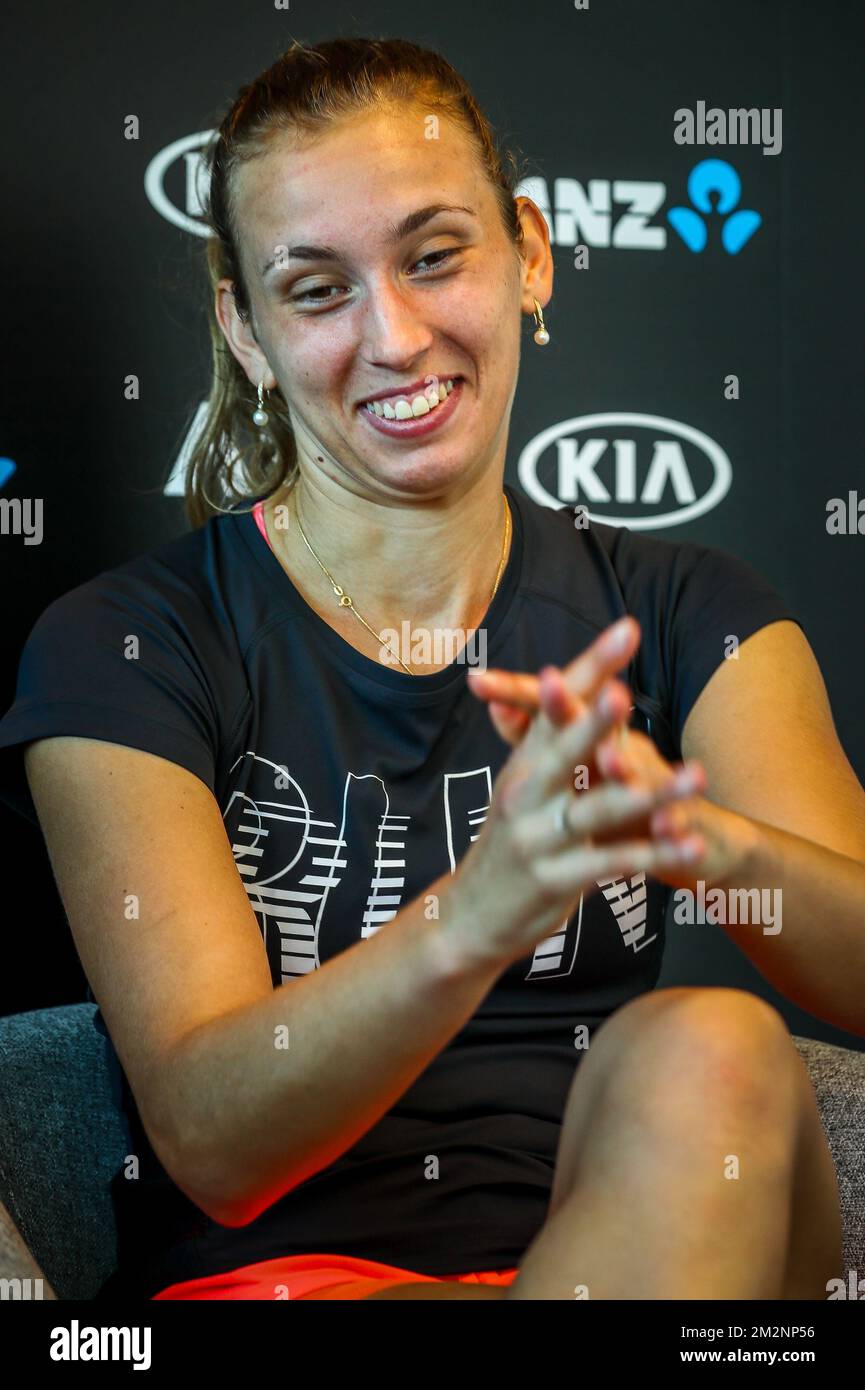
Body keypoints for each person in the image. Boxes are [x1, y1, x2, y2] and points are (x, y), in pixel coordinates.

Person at [0, 35, 861, 1302]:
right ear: (245, 329)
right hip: (294, 1282)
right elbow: (213, 1142)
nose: (393, 336)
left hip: (655, 1258)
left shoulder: (684, 609)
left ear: (528, 252)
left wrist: (697, 842)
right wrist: (484, 904)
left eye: (433, 256)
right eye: (314, 288)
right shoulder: (129, 646)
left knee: (718, 1041)